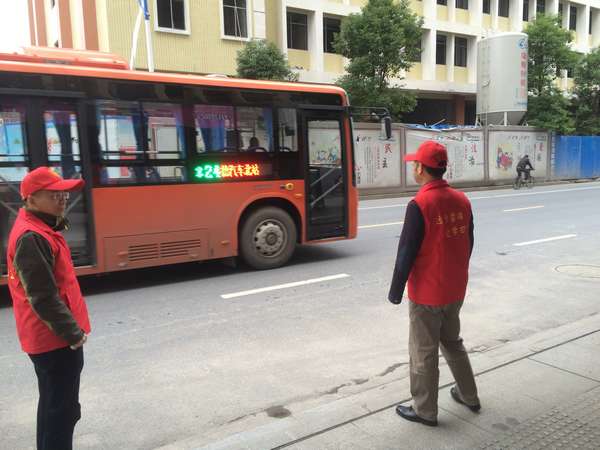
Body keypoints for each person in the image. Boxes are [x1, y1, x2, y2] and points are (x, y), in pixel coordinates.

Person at [388, 141, 480, 427]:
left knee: (423, 351)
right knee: (453, 342)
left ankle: (425, 410)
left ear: (420, 168)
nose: (413, 168)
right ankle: (469, 395)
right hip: (455, 289)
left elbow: (406, 252)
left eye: (415, 164)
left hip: (427, 293)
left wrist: (395, 291)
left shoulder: (420, 205)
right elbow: (469, 242)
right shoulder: (462, 200)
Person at [6, 166, 91, 450]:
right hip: (55, 341)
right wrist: (73, 334)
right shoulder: (32, 237)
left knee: (53, 407)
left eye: (64, 193)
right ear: (31, 199)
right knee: (62, 413)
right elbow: (43, 297)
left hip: (50, 338)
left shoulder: (42, 228)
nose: (63, 199)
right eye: (54, 194)